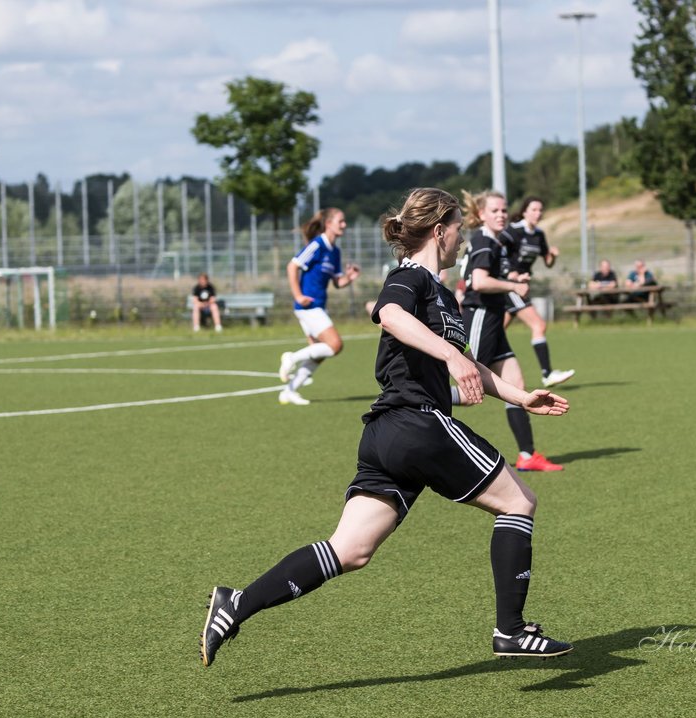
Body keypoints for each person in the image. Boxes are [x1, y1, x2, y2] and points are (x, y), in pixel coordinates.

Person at [200, 187, 573, 668]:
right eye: (459, 227)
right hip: (417, 423)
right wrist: (447, 357)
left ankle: (236, 603)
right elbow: (389, 314)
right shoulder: (410, 277)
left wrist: (522, 397)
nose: (463, 236)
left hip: (388, 435)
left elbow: (464, 362)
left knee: (350, 550)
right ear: (439, 231)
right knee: (519, 501)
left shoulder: (441, 293)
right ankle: (512, 630)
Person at [459, 189, 565, 473]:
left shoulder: (496, 242)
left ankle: (527, 456)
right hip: (480, 316)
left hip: (494, 318)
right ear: (481, 214)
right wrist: (513, 286)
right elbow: (479, 282)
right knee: (470, 392)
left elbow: (488, 275)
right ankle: (420, 403)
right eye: (494, 210)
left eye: (504, 210)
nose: (501, 215)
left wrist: (513, 277)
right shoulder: (484, 240)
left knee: (516, 387)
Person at [277, 208, 361, 405]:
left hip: (318, 307)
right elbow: (292, 266)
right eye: (341, 221)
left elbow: (337, 283)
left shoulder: (335, 251)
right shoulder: (317, 245)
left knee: (319, 353)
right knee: (335, 345)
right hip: (308, 307)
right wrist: (298, 295)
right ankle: (291, 357)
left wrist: (349, 278)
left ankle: (289, 391)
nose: (344, 225)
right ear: (328, 224)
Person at [499, 196, 574, 387]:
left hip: (522, 286)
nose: (538, 213)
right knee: (539, 325)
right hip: (510, 285)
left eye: (540, 210)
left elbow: (548, 263)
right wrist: (510, 273)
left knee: (495, 332)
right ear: (524, 211)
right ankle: (547, 374)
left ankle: (473, 369)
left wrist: (553, 256)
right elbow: (496, 250)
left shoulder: (539, 235)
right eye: (534, 209)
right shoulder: (512, 231)